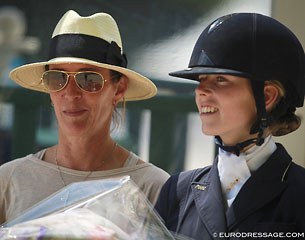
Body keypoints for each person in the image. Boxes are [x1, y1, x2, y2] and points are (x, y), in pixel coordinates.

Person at [0, 10, 169, 224]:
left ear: (119, 89)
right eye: (57, 77)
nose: (70, 93)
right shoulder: (8, 181)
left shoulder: (153, 188)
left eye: (89, 78)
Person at [155, 13, 305, 239]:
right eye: (200, 80)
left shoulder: (300, 193)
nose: (200, 91)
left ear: (267, 97)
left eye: (220, 79)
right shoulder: (176, 190)